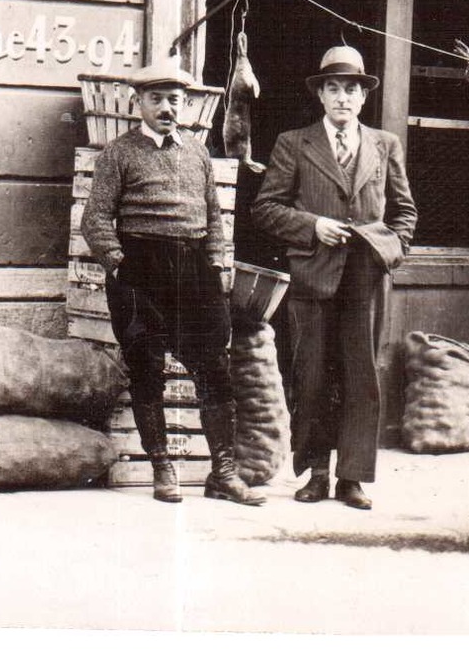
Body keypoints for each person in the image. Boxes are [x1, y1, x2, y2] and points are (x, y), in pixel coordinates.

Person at [81, 61, 265, 507]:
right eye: (156, 99)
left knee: (214, 370)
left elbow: (214, 216)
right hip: (140, 268)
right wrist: (120, 264)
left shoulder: (197, 153)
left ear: (184, 105)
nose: (166, 108)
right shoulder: (119, 152)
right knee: (147, 369)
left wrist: (217, 265)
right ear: (138, 103)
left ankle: (222, 473)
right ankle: (163, 467)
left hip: (194, 268)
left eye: (174, 100)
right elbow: (95, 219)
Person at [250, 45, 417, 510]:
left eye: (352, 90)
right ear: (321, 95)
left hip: (366, 276)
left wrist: (393, 249)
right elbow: (265, 208)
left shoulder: (385, 145)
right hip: (313, 274)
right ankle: (316, 472)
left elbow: (405, 210)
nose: (343, 98)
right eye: (334, 88)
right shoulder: (293, 142)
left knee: (362, 374)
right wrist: (312, 226)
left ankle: (353, 477)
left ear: (363, 98)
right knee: (313, 374)